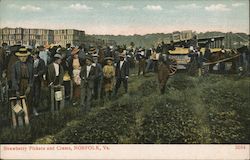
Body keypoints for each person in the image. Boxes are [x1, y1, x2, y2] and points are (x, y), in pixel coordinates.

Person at [11, 48, 33, 115]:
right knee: (18, 99)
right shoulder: (15, 65)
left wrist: (29, 86)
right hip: (19, 84)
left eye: (25, 56)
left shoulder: (30, 65)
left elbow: (32, 77)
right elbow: (13, 78)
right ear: (19, 57)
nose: (23, 58)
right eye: (21, 57)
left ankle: (27, 115)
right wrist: (16, 89)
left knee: (28, 99)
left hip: (27, 83)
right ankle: (19, 116)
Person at [31, 51, 45, 116]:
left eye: (34, 55)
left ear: (37, 54)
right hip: (31, 80)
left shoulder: (41, 61)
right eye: (32, 55)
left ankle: (35, 108)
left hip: (38, 80)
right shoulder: (30, 61)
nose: (33, 56)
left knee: (37, 94)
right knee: (31, 94)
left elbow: (43, 69)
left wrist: (38, 74)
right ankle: (31, 108)